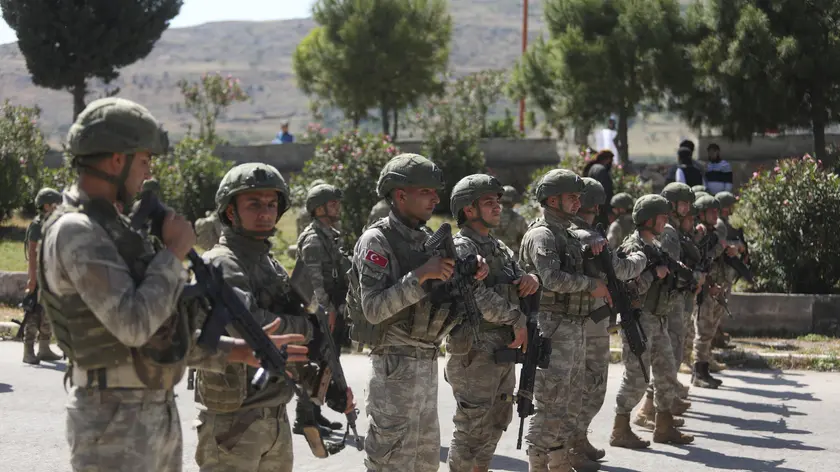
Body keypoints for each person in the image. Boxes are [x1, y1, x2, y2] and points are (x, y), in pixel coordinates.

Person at [38, 97, 308, 472]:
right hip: (112, 417)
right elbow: (134, 325)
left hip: (150, 409)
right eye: (144, 161)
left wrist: (238, 350)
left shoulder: (115, 230)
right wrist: (173, 253)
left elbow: (159, 334)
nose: (147, 172)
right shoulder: (76, 231)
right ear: (117, 160)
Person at [194, 163, 353, 471]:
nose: (265, 212)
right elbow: (252, 326)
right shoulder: (221, 262)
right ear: (230, 212)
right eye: (254, 204)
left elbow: (284, 349)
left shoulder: (269, 264)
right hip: (232, 422)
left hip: (274, 415)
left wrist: (324, 385)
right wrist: (309, 327)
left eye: (271, 204)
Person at [347, 153, 488, 472]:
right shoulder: (376, 240)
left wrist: (471, 271)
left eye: (435, 192)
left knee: (425, 463)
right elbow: (373, 309)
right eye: (426, 191)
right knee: (390, 462)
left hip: (426, 361)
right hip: (393, 365)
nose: (435, 198)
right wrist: (420, 275)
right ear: (400, 195)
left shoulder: (427, 241)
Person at [518, 169, 611, 471]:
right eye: (572, 197)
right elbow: (551, 278)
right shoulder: (542, 234)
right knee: (551, 402)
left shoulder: (567, 233)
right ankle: (538, 463)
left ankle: (558, 462)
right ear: (552, 199)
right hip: (552, 327)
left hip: (573, 326)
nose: (578, 203)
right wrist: (590, 285)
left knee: (570, 401)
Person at [444, 174, 536, 472]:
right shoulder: (462, 248)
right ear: (468, 209)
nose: (498, 207)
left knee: (497, 420)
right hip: (474, 351)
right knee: (471, 429)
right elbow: (477, 299)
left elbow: (519, 276)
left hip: (502, 349)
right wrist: (517, 319)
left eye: (498, 201)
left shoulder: (498, 247)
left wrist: (531, 279)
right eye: (488, 202)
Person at [569, 178, 647, 468]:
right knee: (588, 385)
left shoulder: (577, 231)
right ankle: (571, 445)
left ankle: (578, 438)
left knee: (591, 384)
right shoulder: (585, 235)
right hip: (587, 321)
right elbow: (622, 269)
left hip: (590, 317)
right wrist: (641, 258)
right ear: (597, 204)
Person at [610, 195, 694, 450]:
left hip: (658, 319)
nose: (665, 221)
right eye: (661, 217)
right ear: (648, 219)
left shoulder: (655, 246)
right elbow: (626, 290)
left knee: (667, 372)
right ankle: (620, 428)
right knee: (637, 377)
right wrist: (652, 275)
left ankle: (664, 426)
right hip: (638, 320)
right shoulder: (633, 248)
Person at [293, 183, 350, 436]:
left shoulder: (330, 236)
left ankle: (314, 414)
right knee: (315, 364)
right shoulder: (314, 240)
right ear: (318, 209)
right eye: (332, 203)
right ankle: (304, 419)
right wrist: (327, 312)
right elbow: (313, 283)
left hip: (330, 310)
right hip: (317, 314)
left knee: (327, 364)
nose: (337, 207)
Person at [21, 187, 64, 364]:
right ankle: (28, 350)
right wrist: (32, 279)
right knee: (33, 313)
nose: (59, 207)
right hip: (39, 277)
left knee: (48, 313)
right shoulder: (38, 225)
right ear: (46, 206)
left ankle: (44, 348)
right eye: (55, 204)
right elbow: (32, 253)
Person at [583, 150, 615, 228]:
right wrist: (610, 211)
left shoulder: (593, 168)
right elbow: (606, 192)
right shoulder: (601, 170)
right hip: (601, 210)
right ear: (608, 159)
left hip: (592, 207)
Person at [497, 185, 529, 256]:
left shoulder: (491, 216)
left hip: (494, 255)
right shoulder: (519, 219)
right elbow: (527, 240)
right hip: (513, 256)